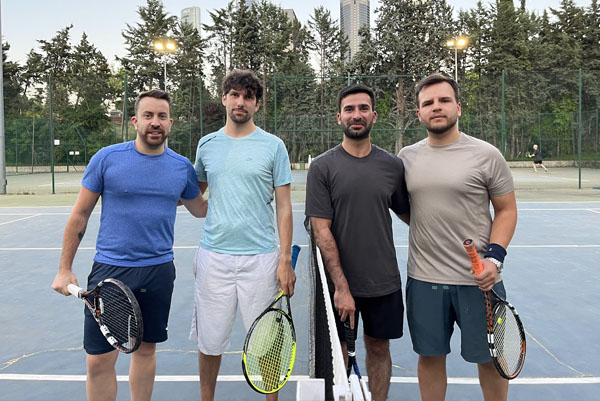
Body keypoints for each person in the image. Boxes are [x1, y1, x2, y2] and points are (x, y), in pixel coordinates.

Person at [51, 89, 208, 401]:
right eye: (148, 115)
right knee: (98, 360)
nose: (155, 122)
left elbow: (200, 208)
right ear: (135, 121)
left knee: (145, 351)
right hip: (110, 271)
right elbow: (80, 214)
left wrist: (230, 179)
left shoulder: (181, 167)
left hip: (157, 272)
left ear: (171, 123)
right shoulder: (107, 159)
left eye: (162, 116)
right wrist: (64, 269)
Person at [398, 73, 518, 401]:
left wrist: (495, 259)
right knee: (430, 357)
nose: (436, 107)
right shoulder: (406, 158)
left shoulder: (486, 154)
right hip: (423, 280)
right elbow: (407, 209)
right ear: (419, 113)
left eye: (444, 100)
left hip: (479, 282)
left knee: (491, 360)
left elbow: (506, 210)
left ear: (458, 107)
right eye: (428, 103)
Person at [190, 69, 295, 401]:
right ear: (224, 98)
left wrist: (284, 259)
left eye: (248, 97)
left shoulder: (273, 146)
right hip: (213, 258)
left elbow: (284, 207)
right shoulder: (207, 145)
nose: (240, 102)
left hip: (261, 259)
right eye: (234, 95)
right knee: (209, 342)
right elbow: (194, 195)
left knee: (266, 342)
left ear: (257, 104)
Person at [305, 84, 410, 401]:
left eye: (363, 108)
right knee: (337, 355)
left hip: (383, 281)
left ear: (374, 116)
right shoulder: (322, 167)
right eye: (349, 109)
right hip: (338, 286)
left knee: (379, 347)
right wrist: (342, 287)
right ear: (339, 117)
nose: (356, 115)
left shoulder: (392, 166)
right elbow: (321, 231)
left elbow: (410, 215)